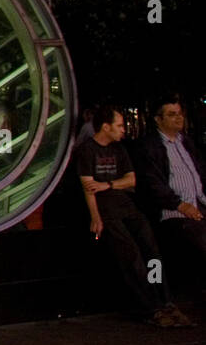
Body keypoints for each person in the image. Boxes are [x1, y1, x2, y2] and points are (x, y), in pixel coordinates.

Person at [74, 107, 193, 328]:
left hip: (127, 207)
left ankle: (164, 300)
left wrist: (107, 185)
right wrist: (96, 217)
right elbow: (88, 188)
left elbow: (132, 180)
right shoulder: (87, 150)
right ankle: (152, 306)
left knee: (152, 251)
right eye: (119, 125)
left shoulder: (119, 149)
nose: (123, 130)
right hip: (108, 211)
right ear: (105, 127)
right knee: (133, 257)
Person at [134, 95, 206, 293]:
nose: (178, 118)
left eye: (180, 113)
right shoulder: (150, 147)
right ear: (158, 119)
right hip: (174, 211)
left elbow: (201, 173)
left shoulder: (187, 142)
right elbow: (153, 185)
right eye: (172, 114)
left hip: (200, 204)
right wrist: (181, 205)